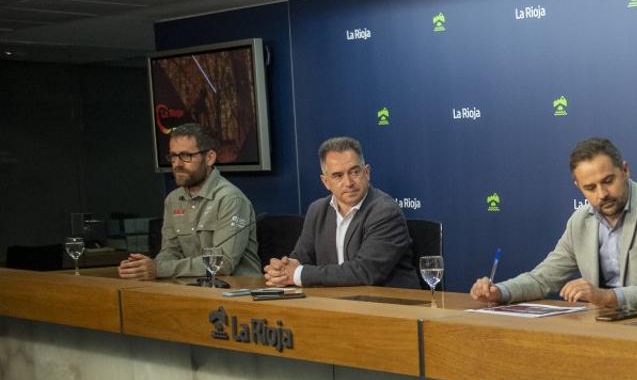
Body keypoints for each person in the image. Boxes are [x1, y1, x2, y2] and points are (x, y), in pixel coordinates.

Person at [470, 137, 637, 310]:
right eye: (590, 188)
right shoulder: (580, 221)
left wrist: (604, 297)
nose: (602, 194)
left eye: (608, 181)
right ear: (578, 187)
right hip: (609, 325)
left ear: (625, 170)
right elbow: (543, 278)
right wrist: (499, 291)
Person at [263, 137, 418, 288]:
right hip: (339, 303)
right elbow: (301, 259)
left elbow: (365, 272)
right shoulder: (317, 210)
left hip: (390, 305)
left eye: (355, 172)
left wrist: (297, 274)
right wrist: (282, 270)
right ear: (325, 182)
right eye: (338, 176)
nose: (348, 182)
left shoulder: (385, 211)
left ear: (367, 172)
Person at [119, 123, 260, 281]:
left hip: (237, 291)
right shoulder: (173, 200)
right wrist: (145, 267)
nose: (177, 164)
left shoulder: (230, 199)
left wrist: (159, 269)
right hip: (194, 288)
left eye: (186, 156)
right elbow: (170, 251)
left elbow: (222, 263)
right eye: (173, 156)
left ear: (209, 158)